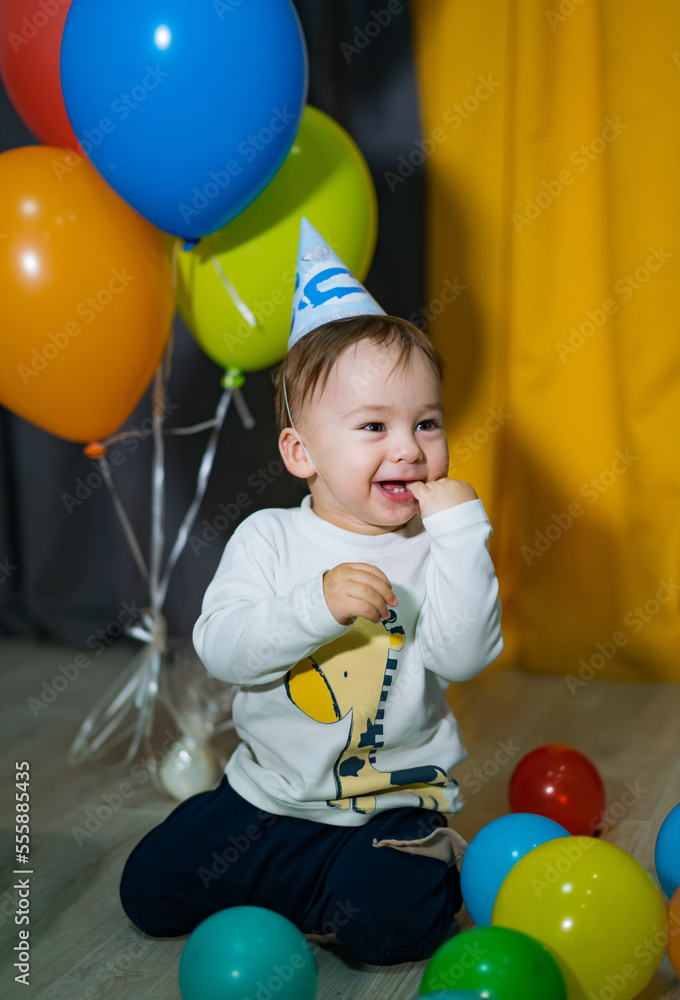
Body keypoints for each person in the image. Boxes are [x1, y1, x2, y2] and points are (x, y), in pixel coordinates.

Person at [119, 218, 504, 966]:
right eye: (373, 426)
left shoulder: (437, 545)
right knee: (150, 891)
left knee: (387, 928)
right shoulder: (270, 538)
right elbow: (223, 649)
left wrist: (462, 537)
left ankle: (412, 864)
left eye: (427, 423)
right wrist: (314, 606)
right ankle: (302, 891)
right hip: (269, 798)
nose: (409, 448)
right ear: (301, 452)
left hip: (384, 809)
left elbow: (461, 657)